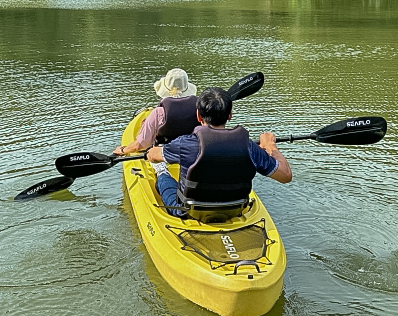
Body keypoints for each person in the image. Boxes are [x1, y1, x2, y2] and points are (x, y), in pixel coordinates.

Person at [146, 87, 292, 218]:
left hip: (189, 212)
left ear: (198, 116)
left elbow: (153, 155)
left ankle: (161, 172)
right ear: (230, 115)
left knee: (164, 179)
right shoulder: (248, 146)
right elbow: (285, 176)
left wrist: (150, 153)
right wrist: (270, 145)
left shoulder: (185, 143)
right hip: (234, 210)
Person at [114, 68, 199, 156]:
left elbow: (140, 145)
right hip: (192, 154)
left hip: (163, 154)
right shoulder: (199, 110)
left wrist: (123, 150)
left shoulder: (158, 113)